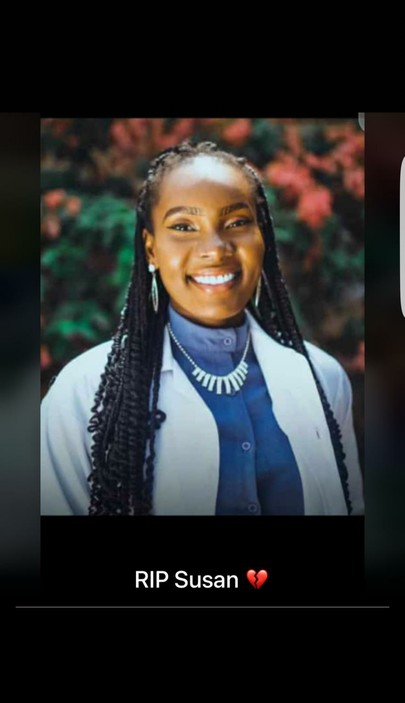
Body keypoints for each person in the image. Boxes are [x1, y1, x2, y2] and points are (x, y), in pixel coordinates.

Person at [41, 140, 364, 516]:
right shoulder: (83, 394)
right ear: (151, 249)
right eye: (184, 226)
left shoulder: (322, 379)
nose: (215, 248)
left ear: (262, 236)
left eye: (237, 222)